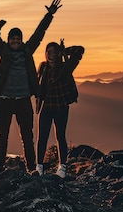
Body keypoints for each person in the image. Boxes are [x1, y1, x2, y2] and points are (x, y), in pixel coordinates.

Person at [0, 0, 62, 173]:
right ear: (8, 39)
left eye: (17, 39)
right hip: (4, 100)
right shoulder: (2, 50)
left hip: (23, 100)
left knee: (27, 136)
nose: (15, 41)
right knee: (2, 136)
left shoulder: (28, 50)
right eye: (12, 39)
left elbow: (39, 33)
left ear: (21, 40)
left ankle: (31, 168)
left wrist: (49, 15)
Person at [35, 40, 85, 178]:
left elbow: (80, 49)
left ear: (58, 54)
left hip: (61, 106)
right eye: (49, 52)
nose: (51, 55)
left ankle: (62, 166)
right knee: (42, 137)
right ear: (45, 54)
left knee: (60, 136)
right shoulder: (43, 67)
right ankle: (39, 166)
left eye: (54, 52)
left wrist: (64, 51)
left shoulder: (65, 67)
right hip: (47, 106)